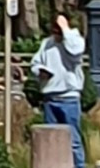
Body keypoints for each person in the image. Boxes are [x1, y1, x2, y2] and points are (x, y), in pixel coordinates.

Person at [32, 10, 87, 146]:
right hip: (50, 97)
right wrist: (40, 71)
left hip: (69, 98)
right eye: (54, 28)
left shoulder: (74, 40)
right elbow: (35, 63)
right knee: (51, 140)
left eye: (58, 28)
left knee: (73, 139)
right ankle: (53, 166)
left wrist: (65, 29)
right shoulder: (47, 43)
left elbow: (75, 50)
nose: (56, 31)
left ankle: (77, 167)